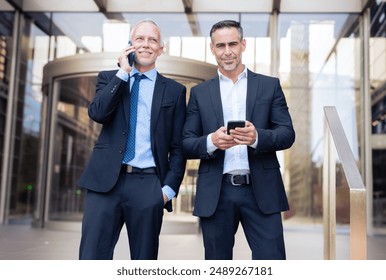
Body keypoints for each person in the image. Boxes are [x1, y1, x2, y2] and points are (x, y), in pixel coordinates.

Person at [182, 20, 295, 260]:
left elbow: (287, 133)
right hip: (217, 192)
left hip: (262, 189)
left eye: (233, 44)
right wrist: (212, 141)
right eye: (220, 45)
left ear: (243, 44)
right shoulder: (200, 93)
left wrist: (257, 137)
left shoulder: (269, 85)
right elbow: (186, 143)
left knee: (272, 263)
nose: (227, 51)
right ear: (212, 49)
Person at [77, 19, 187, 260]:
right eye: (140, 39)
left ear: (161, 48)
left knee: (144, 262)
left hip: (148, 184)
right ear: (130, 45)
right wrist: (123, 73)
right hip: (104, 184)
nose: (146, 44)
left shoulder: (175, 91)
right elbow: (98, 113)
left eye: (152, 40)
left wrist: (167, 190)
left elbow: (178, 147)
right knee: (91, 258)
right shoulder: (109, 78)